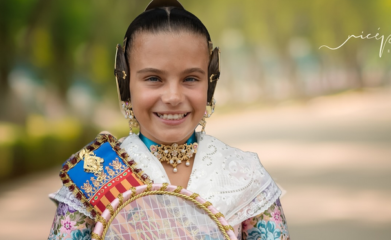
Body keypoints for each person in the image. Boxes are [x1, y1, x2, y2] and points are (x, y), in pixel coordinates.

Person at [48, 1, 290, 239]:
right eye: (153, 78)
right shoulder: (95, 173)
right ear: (125, 85)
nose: (173, 97)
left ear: (210, 84)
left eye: (191, 79)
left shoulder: (245, 176)